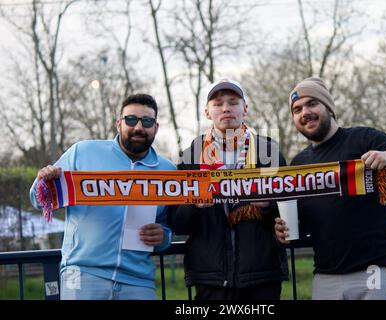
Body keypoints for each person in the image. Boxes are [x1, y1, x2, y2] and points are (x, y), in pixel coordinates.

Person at [275, 77, 386, 300]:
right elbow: (304, 223)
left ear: (329, 108)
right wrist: (286, 230)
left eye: (312, 104)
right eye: (297, 109)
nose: (304, 112)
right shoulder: (299, 164)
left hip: (376, 273)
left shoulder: (363, 139)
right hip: (326, 277)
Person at [29, 93, 175, 300]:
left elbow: (166, 226)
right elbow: (38, 201)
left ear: (156, 127)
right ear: (119, 124)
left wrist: (164, 237)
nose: (139, 128)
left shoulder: (168, 170)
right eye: (131, 120)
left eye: (147, 121)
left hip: (138, 280)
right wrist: (43, 182)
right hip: (81, 272)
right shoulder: (83, 152)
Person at [169, 79, 289, 300]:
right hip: (211, 277)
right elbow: (178, 222)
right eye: (218, 104)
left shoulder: (267, 152)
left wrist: (267, 207)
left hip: (261, 275)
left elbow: (289, 212)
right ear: (207, 112)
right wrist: (194, 206)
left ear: (245, 109)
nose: (225, 108)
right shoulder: (192, 155)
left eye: (233, 102)